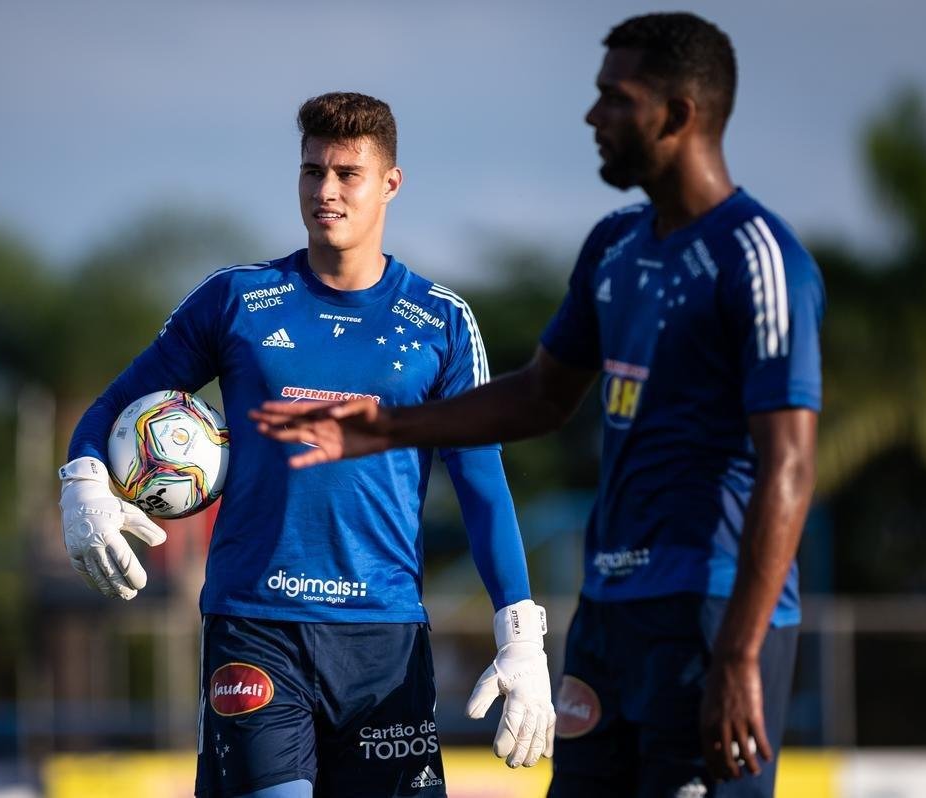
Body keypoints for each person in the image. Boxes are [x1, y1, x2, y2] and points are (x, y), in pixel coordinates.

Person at [252, 14, 823, 798]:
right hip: (610, 613)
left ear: (680, 114)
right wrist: (386, 427)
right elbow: (541, 396)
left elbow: (790, 467)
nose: (593, 117)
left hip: (713, 614)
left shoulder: (758, 258)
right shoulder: (614, 246)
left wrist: (739, 655)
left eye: (614, 100)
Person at [57, 92, 554, 798]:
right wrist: (83, 481)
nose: (326, 191)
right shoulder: (235, 299)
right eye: (311, 171)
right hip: (257, 628)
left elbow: (479, 480)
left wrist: (520, 633)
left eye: (347, 173)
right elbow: (113, 406)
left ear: (390, 184)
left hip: (385, 641)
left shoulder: (440, 321)